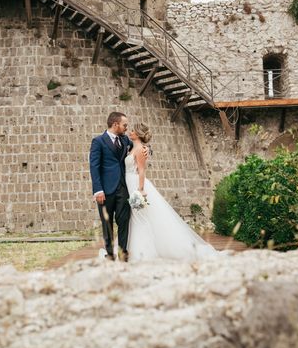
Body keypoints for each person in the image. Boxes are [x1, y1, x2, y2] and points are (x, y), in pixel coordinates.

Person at [125, 122, 219, 262]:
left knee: (140, 217)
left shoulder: (140, 150)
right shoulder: (133, 147)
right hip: (129, 184)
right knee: (135, 218)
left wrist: (140, 190)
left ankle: (141, 252)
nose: (129, 132)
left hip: (136, 186)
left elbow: (142, 170)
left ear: (137, 134)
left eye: (132, 130)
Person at [89, 112, 145, 261]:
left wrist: (148, 149)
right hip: (105, 191)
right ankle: (110, 254)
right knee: (107, 223)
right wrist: (98, 190)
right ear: (115, 124)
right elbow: (94, 167)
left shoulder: (126, 140)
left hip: (123, 188)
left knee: (124, 221)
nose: (126, 128)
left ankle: (123, 253)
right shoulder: (98, 141)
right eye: (124, 125)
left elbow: (139, 147)